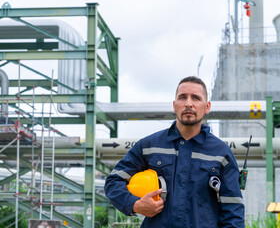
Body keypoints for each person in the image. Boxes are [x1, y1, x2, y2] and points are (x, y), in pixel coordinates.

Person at [104, 76, 245, 228]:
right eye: (182, 97)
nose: (188, 103)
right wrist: (135, 205)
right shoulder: (148, 146)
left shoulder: (221, 153)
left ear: (207, 107)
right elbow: (113, 182)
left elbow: (233, 210)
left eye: (196, 98)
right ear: (174, 105)